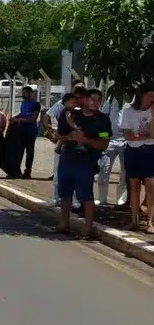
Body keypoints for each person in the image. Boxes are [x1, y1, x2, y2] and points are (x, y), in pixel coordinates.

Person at [55, 87, 111, 238]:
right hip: (68, 156)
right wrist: (67, 137)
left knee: (85, 194)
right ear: (85, 100)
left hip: (86, 160)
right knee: (65, 192)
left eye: (99, 101)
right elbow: (61, 134)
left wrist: (85, 140)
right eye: (92, 99)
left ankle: (87, 226)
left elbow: (104, 143)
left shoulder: (103, 121)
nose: (95, 103)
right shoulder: (73, 115)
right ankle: (64, 222)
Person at [118, 85, 154, 232]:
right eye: (149, 95)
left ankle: (150, 222)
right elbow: (127, 135)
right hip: (133, 150)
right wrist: (144, 136)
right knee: (134, 185)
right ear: (141, 95)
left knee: (151, 185)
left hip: (150, 150)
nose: (152, 99)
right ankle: (134, 220)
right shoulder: (128, 111)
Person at [45, 86, 87, 206]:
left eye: (77, 99)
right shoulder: (66, 110)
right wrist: (50, 131)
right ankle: (56, 197)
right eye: (73, 100)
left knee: (75, 175)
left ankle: (74, 200)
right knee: (58, 174)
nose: (75, 102)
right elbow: (49, 117)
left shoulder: (83, 110)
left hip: (75, 145)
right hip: (64, 142)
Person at [98, 93, 128, 208]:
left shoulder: (131, 99)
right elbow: (103, 120)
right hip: (110, 140)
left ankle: (121, 199)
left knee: (125, 172)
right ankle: (102, 199)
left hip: (126, 140)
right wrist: (104, 138)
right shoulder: (110, 100)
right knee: (104, 171)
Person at [9, 86, 41, 179]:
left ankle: (27, 172)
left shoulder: (35, 104)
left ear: (31, 93)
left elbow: (33, 119)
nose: (24, 94)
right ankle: (16, 171)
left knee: (29, 152)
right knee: (19, 151)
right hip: (21, 130)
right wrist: (14, 118)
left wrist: (19, 119)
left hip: (31, 131)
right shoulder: (23, 103)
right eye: (23, 93)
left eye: (26, 92)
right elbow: (22, 113)